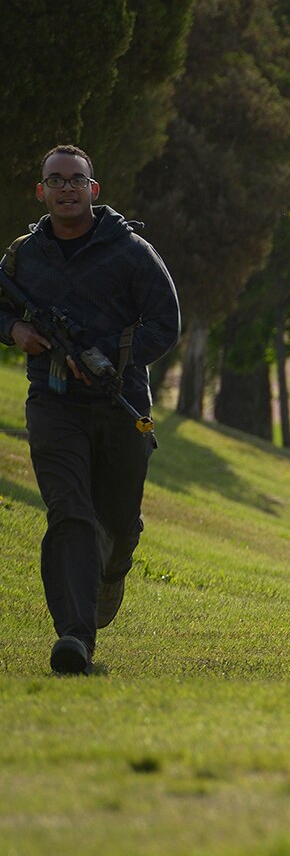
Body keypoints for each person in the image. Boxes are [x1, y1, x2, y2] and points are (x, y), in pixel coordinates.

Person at [1, 145, 180, 674]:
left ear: (93, 190)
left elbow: (165, 323)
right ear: (41, 192)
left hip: (122, 405)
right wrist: (14, 330)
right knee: (70, 512)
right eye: (55, 180)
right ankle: (75, 637)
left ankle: (116, 562)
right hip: (54, 405)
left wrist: (109, 355)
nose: (66, 188)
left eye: (76, 179)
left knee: (118, 521)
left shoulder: (130, 252)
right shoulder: (23, 256)